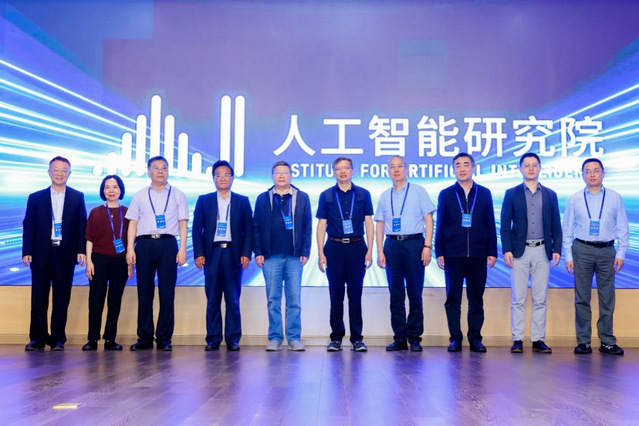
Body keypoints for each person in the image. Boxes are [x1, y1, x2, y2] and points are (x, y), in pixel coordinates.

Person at [563, 158, 629, 355]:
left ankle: (607, 341)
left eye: (596, 170)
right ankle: (583, 341)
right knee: (582, 298)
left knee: (607, 297)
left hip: (607, 251)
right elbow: (567, 229)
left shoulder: (614, 197)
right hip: (581, 250)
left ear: (603, 173)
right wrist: (568, 256)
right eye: (588, 171)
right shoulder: (574, 198)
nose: (592, 174)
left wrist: (621, 253)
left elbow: (622, 227)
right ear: (582, 175)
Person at [22, 156, 87, 351]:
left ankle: (58, 338)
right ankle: (37, 338)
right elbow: (29, 224)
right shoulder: (35, 197)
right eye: (56, 170)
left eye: (63, 170)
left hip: (65, 253)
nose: (59, 174)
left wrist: (81, 250)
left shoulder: (77, 196)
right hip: (41, 252)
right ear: (49, 172)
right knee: (38, 297)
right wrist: (27, 251)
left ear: (69, 173)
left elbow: (81, 224)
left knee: (61, 297)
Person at [435, 153, 497, 353]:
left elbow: (490, 223)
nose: (462, 168)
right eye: (458, 165)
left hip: (478, 254)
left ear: (473, 168)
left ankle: (475, 338)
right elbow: (440, 224)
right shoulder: (446, 194)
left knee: (476, 299)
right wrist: (439, 251)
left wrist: (492, 251)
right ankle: (455, 338)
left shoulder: (484, 193)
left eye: (466, 165)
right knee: (453, 298)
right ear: (453, 169)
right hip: (453, 254)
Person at [500, 153, 561, 354]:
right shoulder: (511, 193)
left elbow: (556, 225)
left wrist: (557, 249)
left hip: (543, 251)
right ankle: (517, 339)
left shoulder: (550, 194)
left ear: (540, 168)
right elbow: (505, 225)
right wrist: (507, 249)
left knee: (540, 299)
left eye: (534, 165)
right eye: (526, 165)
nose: (531, 168)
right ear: (520, 169)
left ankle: (538, 340)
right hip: (520, 251)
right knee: (518, 298)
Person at [126, 156, 188, 351]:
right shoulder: (140, 195)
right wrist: (130, 248)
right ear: (148, 171)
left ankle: (164, 338)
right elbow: (133, 223)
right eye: (156, 168)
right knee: (144, 292)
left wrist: (182, 248)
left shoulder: (178, 195)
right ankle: (144, 337)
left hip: (168, 244)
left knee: (167, 293)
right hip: (144, 245)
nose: (160, 171)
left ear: (168, 171)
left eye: (164, 168)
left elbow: (183, 223)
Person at [375, 156, 435, 352]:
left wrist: (427, 246)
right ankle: (400, 338)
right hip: (392, 245)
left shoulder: (419, 191)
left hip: (414, 244)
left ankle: (415, 337)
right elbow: (380, 224)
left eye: (400, 166)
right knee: (396, 293)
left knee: (415, 292)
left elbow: (429, 220)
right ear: (388, 171)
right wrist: (380, 250)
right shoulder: (385, 195)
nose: (396, 170)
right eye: (392, 167)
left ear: (406, 169)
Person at [193, 160, 253, 352]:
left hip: (233, 253)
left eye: (226, 174)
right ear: (213, 178)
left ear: (232, 178)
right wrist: (199, 253)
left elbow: (249, 230)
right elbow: (197, 229)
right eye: (218, 175)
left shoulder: (242, 201)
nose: (222, 178)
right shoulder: (204, 200)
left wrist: (246, 253)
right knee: (212, 298)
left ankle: (233, 339)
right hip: (212, 253)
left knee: (232, 298)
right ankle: (213, 338)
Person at [316, 157, 374, 352]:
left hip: (358, 248)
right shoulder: (326, 195)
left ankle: (357, 339)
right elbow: (321, 225)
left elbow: (369, 223)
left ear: (352, 171)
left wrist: (370, 250)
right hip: (334, 248)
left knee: (355, 294)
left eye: (346, 168)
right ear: (334, 172)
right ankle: (336, 338)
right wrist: (320, 253)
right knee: (336, 294)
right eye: (338, 169)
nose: (342, 172)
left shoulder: (364, 194)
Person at [253, 161, 312, 352]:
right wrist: (258, 251)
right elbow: (256, 227)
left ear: (291, 175)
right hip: (271, 257)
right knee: (273, 299)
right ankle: (275, 338)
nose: (281, 176)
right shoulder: (263, 198)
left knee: (294, 300)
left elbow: (307, 227)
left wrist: (305, 251)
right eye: (277, 173)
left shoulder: (302, 197)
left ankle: (294, 338)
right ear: (272, 176)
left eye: (285, 173)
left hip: (295, 256)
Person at [83, 175, 133, 351]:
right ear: (102, 190)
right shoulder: (95, 212)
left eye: (115, 187)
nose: (111, 191)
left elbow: (131, 241)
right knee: (95, 300)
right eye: (107, 187)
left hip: (120, 261)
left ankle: (110, 338)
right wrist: (89, 261)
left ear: (121, 190)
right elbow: (89, 239)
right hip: (99, 260)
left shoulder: (128, 212)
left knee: (115, 300)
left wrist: (130, 264)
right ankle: (92, 339)